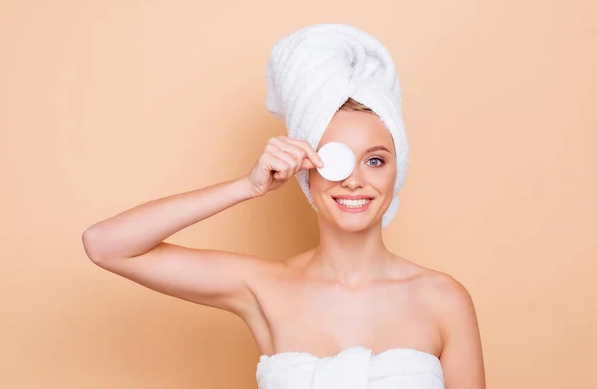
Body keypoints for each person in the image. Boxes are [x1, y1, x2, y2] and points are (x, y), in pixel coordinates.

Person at [82, 96, 486, 388]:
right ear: (307, 170)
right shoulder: (264, 287)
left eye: (376, 160)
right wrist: (247, 185)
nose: (355, 180)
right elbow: (106, 244)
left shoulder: (442, 298)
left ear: (397, 173)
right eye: (336, 159)